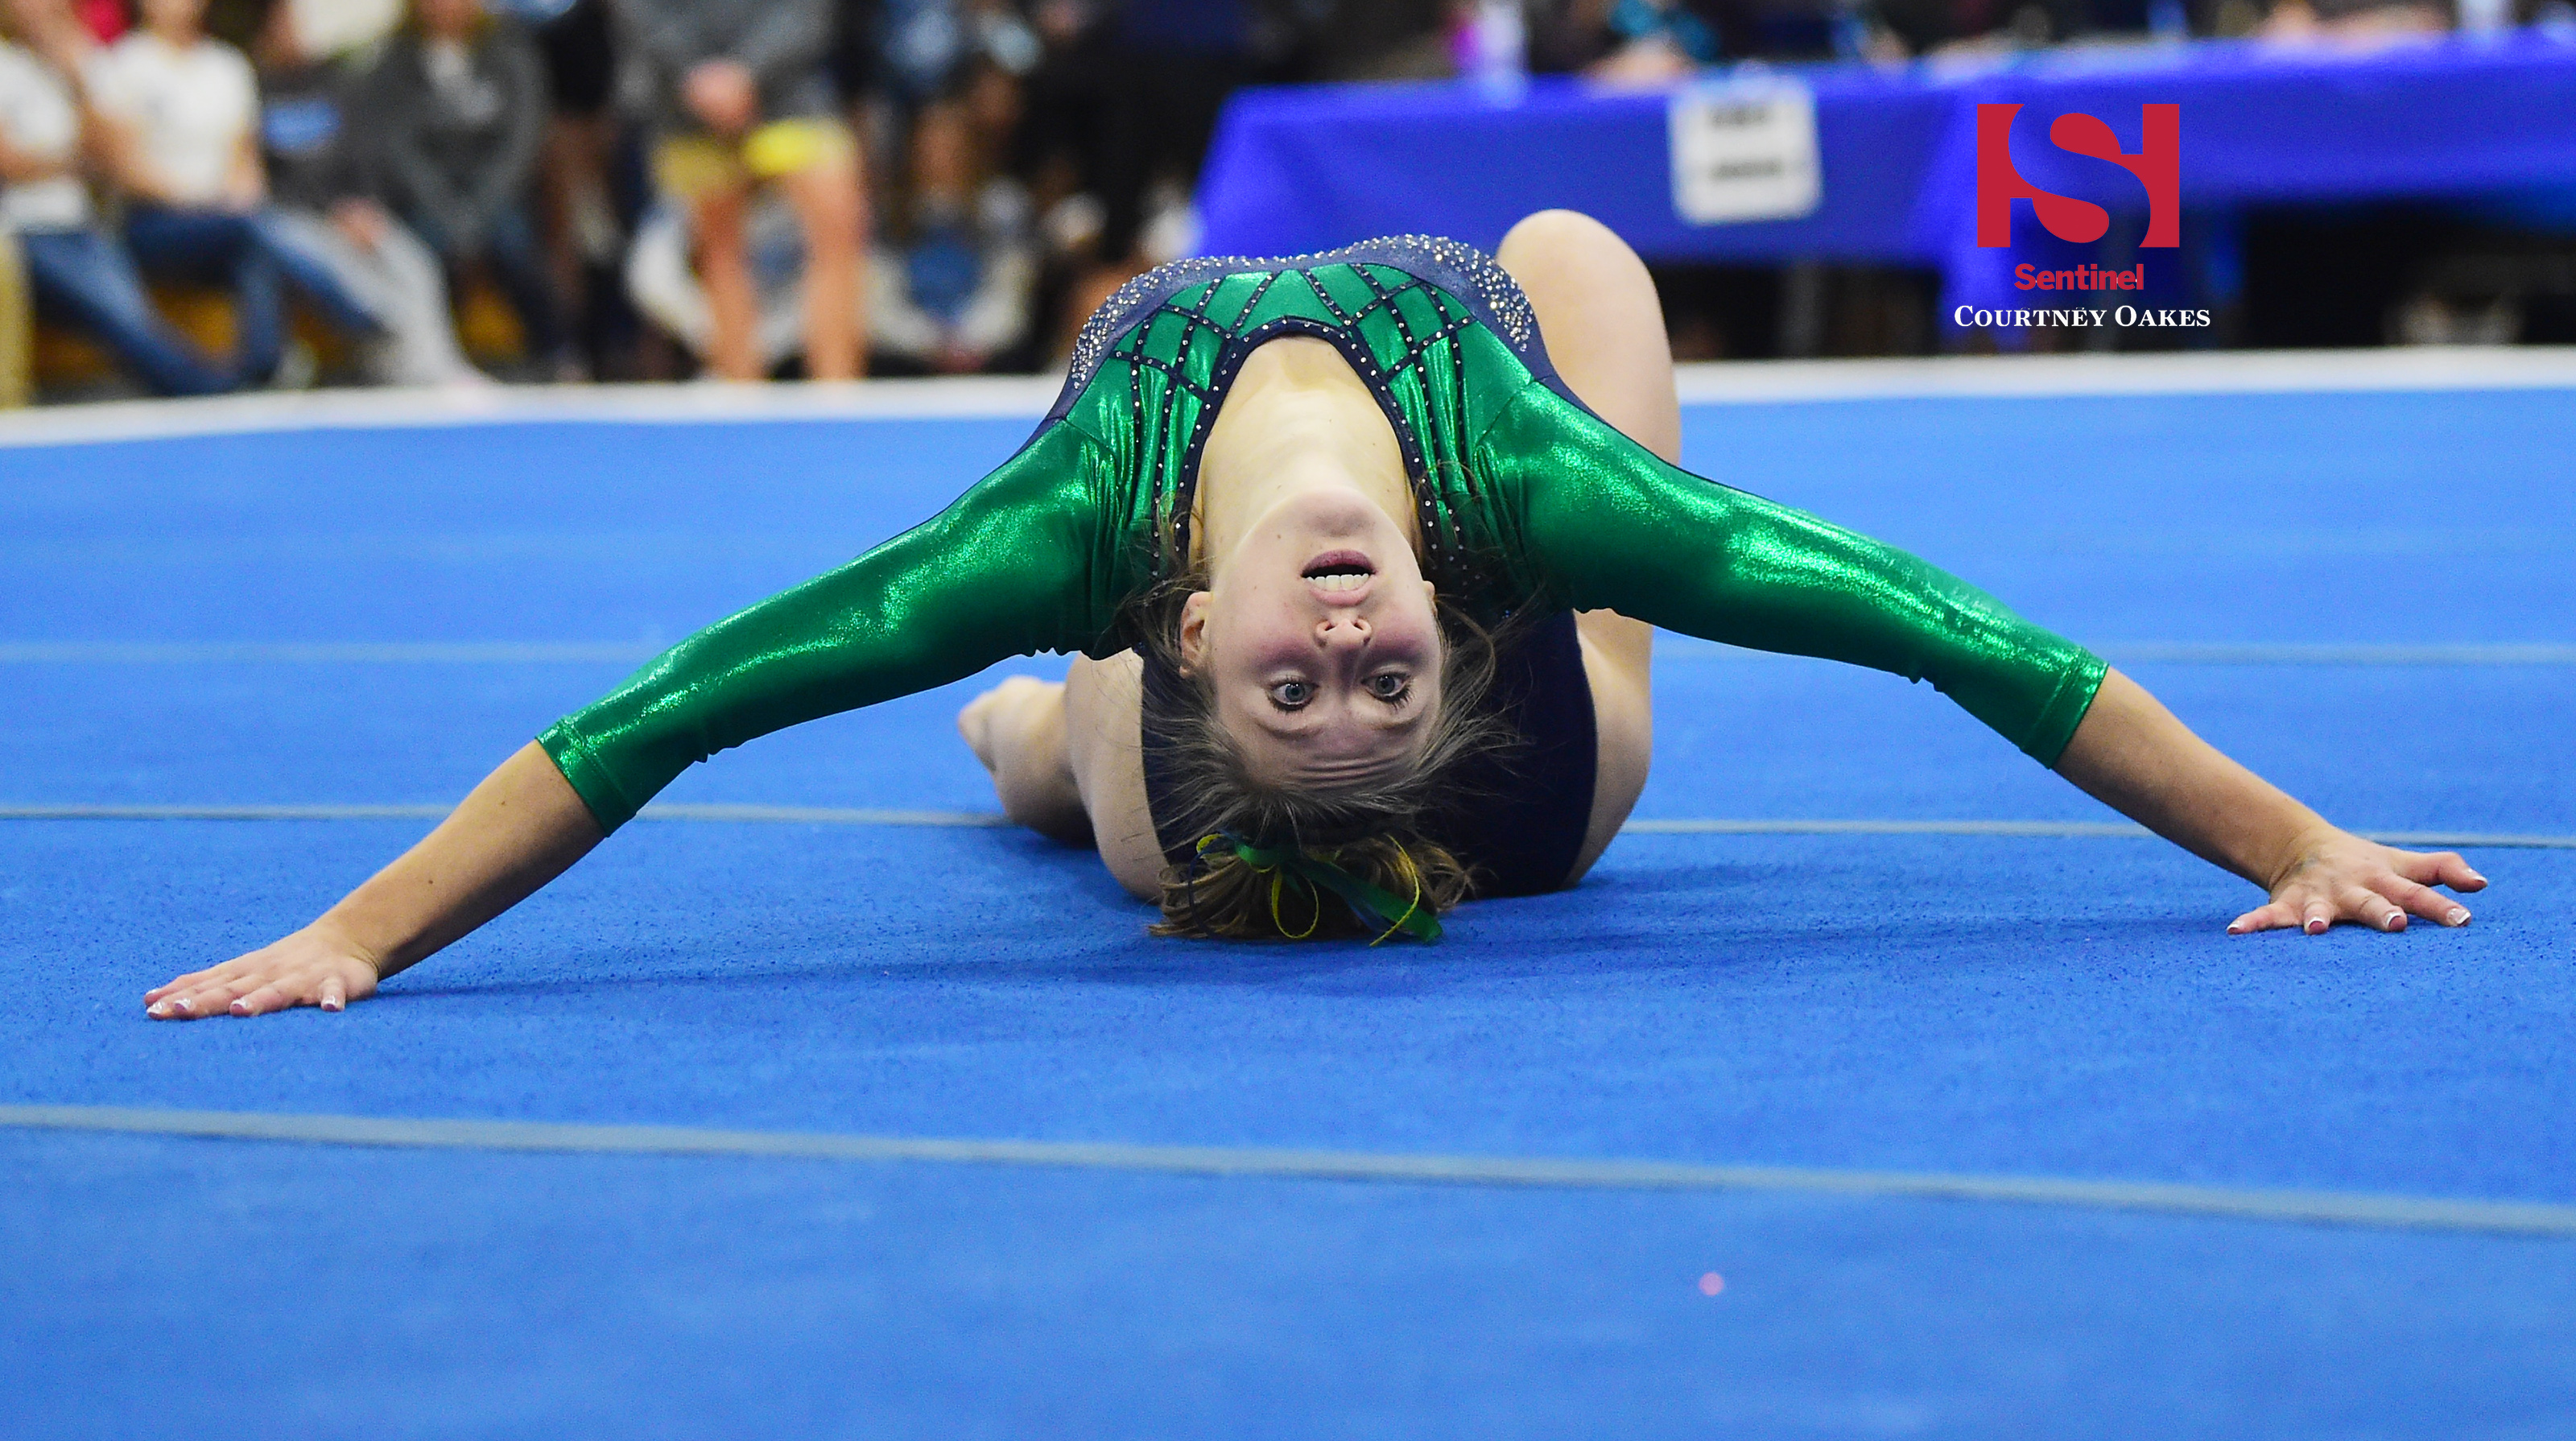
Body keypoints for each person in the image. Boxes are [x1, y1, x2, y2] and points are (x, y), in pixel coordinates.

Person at [144, 213, 2487, 1019]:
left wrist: (355, 931)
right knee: (1573, 263)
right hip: (1517, 758)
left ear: (1173, 629)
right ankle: (1058, 756)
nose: (1356, 636)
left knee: (1044, 767)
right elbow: (1939, 624)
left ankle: (1032, 747)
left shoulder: (1082, 529)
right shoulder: (1523, 497)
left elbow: (668, 710)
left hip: (1221, 763)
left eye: (1324, 671)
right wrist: (2286, 832)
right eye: (1363, 672)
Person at [84, 0, 383, 386]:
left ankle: (260, 371)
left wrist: (236, 198)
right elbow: (127, 172)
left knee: (255, 248)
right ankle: (353, 313)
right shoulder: (121, 65)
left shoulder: (227, 66)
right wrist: (204, 201)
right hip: (153, 223)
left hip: (229, 220)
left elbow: (246, 160)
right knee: (254, 230)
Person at [616, 0, 866, 380]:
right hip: (686, 103)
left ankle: (837, 400)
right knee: (717, 252)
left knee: (840, 224)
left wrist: (747, 74)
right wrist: (695, 76)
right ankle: (742, 401)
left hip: (787, 93)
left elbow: (810, 13)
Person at [252, 0, 489, 388]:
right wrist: (328, 212)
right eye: (285, 23)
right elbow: (264, 180)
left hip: (355, 210)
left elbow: (364, 153)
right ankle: (397, 356)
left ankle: (442, 365)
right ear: (266, 33)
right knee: (346, 275)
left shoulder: (337, 86)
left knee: (415, 265)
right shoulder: (256, 90)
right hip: (300, 217)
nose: (296, 31)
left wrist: (365, 206)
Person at [0, 0, 230, 396]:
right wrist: (77, 159)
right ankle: (204, 388)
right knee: (118, 318)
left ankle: (200, 385)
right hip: (26, 231)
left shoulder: (81, 57)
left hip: (85, 225)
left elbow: (118, 150)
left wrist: (76, 80)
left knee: (135, 317)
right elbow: (11, 164)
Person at [357, 0, 569, 378]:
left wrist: (481, 207)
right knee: (423, 253)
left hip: (497, 194)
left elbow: (521, 140)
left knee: (515, 245)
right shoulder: (393, 61)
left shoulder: (510, 50)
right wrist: (446, 209)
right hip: (428, 198)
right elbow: (397, 149)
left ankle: (556, 353)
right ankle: (438, 365)